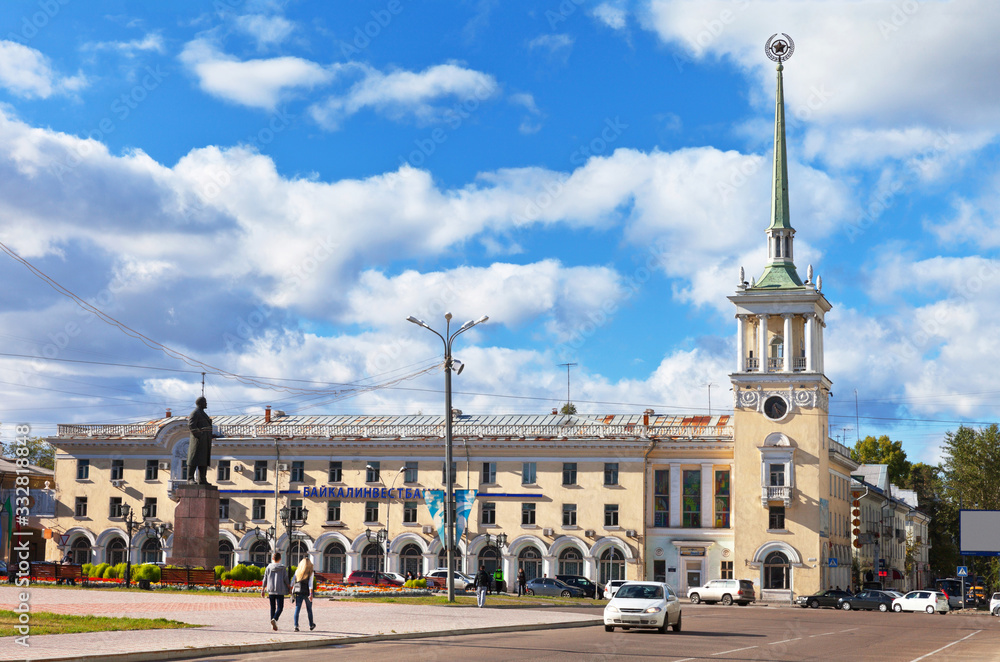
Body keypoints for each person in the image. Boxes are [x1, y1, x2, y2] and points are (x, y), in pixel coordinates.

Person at [187, 396, 215, 485]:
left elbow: (206, 427)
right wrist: (199, 435)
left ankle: (202, 479)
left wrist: (210, 435)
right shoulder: (195, 413)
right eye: (205, 402)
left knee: (203, 461)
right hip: (197, 441)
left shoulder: (202, 413)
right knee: (193, 459)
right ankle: (190, 479)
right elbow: (191, 425)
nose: (206, 404)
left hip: (205, 441)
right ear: (201, 403)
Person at [262, 552, 291, 630]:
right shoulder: (283, 567)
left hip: (271, 590)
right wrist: (289, 587)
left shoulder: (268, 567)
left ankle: (272, 623)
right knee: (280, 607)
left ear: (272, 558)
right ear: (280, 559)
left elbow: (265, 578)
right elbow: (285, 578)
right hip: (280, 589)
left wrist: (263, 589)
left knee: (272, 607)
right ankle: (274, 619)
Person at [292, 556, 317, 632]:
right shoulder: (311, 572)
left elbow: (293, 581)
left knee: (297, 608)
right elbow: (310, 584)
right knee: (309, 609)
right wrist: (311, 594)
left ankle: (296, 625)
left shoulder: (298, 571)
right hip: (306, 592)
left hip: (298, 591)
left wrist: (291, 589)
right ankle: (311, 625)